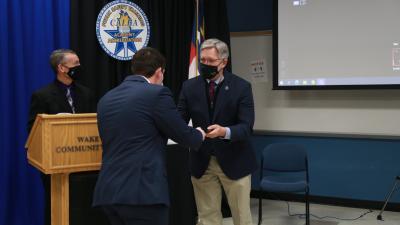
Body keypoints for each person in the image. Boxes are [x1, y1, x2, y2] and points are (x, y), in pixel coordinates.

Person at [92, 47, 206, 225]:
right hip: (142, 194)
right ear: (160, 72)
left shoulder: (106, 98)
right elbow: (183, 135)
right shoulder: (157, 94)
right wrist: (198, 134)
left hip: (107, 192)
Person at [178, 38, 257, 225]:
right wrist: (189, 132)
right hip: (201, 160)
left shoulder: (241, 87)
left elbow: (246, 127)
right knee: (207, 217)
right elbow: (178, 120)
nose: (205, 65)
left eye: (211, 61)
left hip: (235, 160)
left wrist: (225, 131)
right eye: (202, 60)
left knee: (242, 217)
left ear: (224, 62)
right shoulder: (189, 87)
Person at [27, 49, 96, 225]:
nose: (80, 67)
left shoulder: (86, 93)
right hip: (56, 163)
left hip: (84, 162)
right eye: (76, 64)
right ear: (62, 68)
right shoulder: (42, 96)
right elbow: (33, 130)